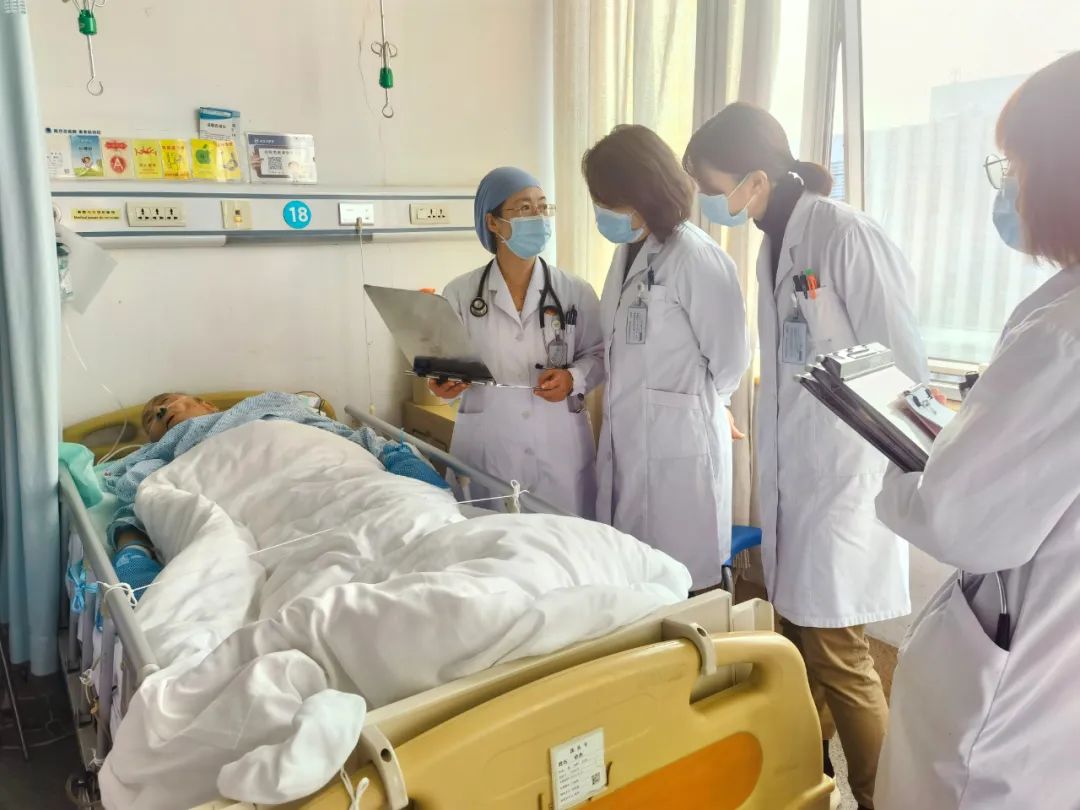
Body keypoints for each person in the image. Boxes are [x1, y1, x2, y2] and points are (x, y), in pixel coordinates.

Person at [684, 103, 929, 809]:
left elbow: (903, 367)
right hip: (801, 483)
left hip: (845, 483)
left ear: (754, 180)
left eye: (712, 185)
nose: (709, 200)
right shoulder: (775, 242)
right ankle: (808, 784)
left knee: (840, 659)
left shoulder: (845, 234)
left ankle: (880, 797)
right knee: (799, 647)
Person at [873, 52, 1080, 810]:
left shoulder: (1064, 336)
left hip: (1013, 710)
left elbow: (958, 519)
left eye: (1016, 167)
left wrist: (909, 462)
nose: (1010, 187)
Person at [581, 125, 750, 593]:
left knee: (683, 587)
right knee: (637, 580)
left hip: (680, 447)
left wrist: (705, 402)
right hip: (629, 439)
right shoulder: (627, 252)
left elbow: (731, 358)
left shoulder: (696, 256)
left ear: (642, 193)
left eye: (609, 200)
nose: (602, 210)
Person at [106, 392, 450, 594]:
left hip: (325, 468)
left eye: (167, 403)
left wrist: (409, 467)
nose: (159, 412)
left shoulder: (269, 405)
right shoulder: (157, 458)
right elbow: (141, 506)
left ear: (206, 405)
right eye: (151, 420)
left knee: (415, 522)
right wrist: (134, 559)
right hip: (241, 496)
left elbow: (355, 438)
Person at [431, 167, 604, 517]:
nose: (537, 216)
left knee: (564, 543)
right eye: (524, 208)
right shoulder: (460, 293)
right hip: (488, 447)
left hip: (559, 447)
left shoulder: (575, 291)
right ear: (493, 223)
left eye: (542, 206)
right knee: (490, 540)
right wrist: (443, 385)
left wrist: (573, 378)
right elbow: (443, 367)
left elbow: (599, 355)